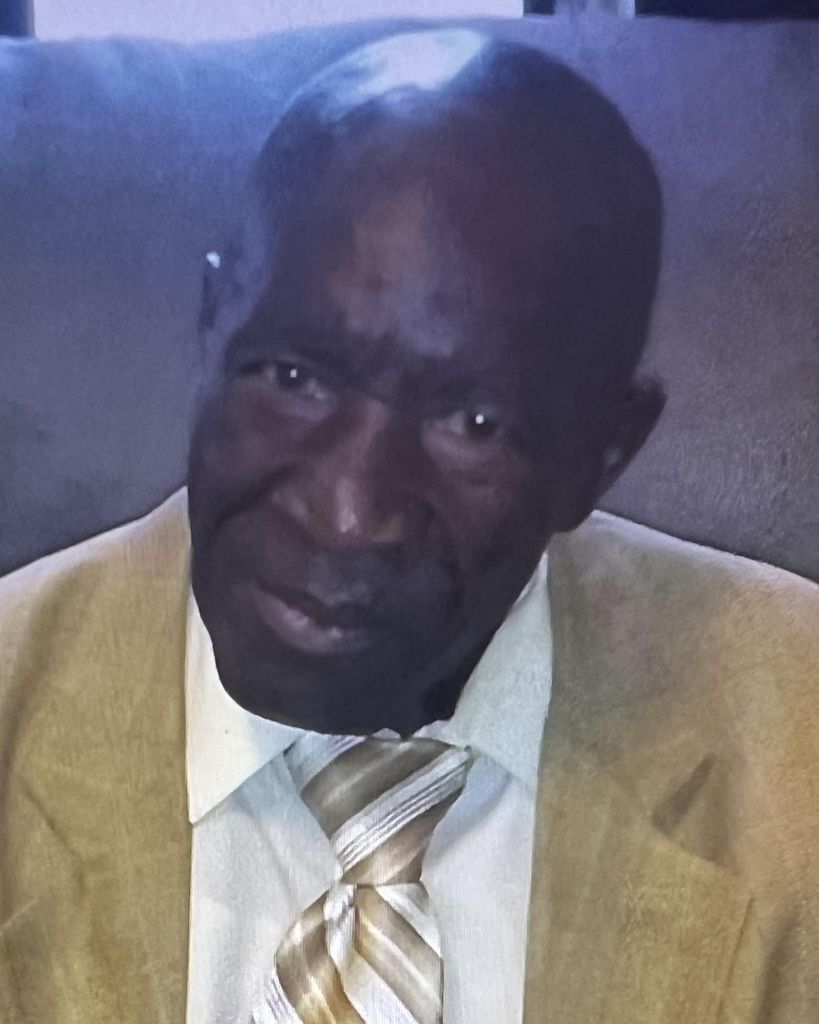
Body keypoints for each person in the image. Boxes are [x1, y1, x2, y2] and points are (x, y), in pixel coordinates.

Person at [0, 27, 817, 1024]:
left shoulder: (796, 731)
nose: (350, 513)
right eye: (293, 376)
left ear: (603, 453)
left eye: (473, 424)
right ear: (212, 324)